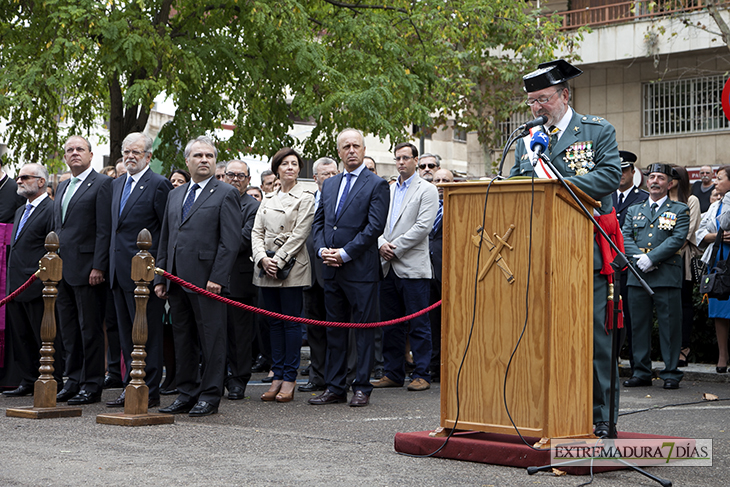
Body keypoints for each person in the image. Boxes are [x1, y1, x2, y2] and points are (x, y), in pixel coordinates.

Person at [510, 59, 622, 439]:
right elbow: (512, 184)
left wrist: (556, 186)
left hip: (583, 253)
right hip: (538, 255)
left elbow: (607, 176)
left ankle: (602, 414)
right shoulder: (527, 139)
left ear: (564, 95)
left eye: (543, 99)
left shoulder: (595, 131)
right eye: (531, 102)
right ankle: (546, 410)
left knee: (593, 338)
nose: (537, 107)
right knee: (539, 335)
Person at [154, 136, 241, 417]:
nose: (204, 160)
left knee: (212, 339)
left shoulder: (225, 192)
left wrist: (217, 277)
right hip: (177, 280)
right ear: (187, 161)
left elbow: (230, 242)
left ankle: (210, 395)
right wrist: (161, 277)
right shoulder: (175, 194)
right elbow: (167, 238)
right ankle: (187, 392)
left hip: (207, 282)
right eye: (199, 155)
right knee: (183, 339)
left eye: (209, 156)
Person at [310, 128, 389, 407]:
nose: (352, 150)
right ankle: (334, 387)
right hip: (330, 269)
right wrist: (321, 250)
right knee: (335, 329)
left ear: (364, 150)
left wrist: (345, 253)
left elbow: (374, 228)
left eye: (356, 145)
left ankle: (362, 387)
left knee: (364, 331)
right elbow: (318, 223)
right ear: (339, 152)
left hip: (360, 271)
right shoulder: (330, 185)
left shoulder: (376, 184)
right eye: (346, 146)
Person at [105, 133, 173, 409]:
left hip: (144, 274)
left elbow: (164, 231)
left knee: (148, 335)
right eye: (126, 152)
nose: (130, 156)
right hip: (118, 272)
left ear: (148, 156)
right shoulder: (117, 184)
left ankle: (150, 388)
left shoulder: (158, 185)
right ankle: (129, 385)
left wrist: (160, 274)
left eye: (136, 152)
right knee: (125, 334)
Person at [372, 142, 438, 392]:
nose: (401, 162)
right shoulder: (388, 189)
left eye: (405, 158)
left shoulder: (427, 190)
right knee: (390, 324)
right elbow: (377, 222)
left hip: (412, 267)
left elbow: (423, 227)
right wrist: (380, 244)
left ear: (415, 160)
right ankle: (393, 372)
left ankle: (422, 373)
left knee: (418, 323)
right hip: (387, 265)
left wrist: (393, 247)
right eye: (397, 158)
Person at [54, 136, 113, 405]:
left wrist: (99, 265)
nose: (74, 153)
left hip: (89, 269)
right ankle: (73, 380)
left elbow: (104, 228)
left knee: (89, 329)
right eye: (70, 150)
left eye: (80, 149)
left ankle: (91, 384)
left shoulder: (102, 184)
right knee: (68, 330)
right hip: (62, 269)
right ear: (65, 157)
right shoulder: (64, 185)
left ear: (91, 154)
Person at [622, 163, 689, 390]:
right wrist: (639, 257)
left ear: (669, 184)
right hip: (637, 275)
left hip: (666, 274)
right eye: (652, 177)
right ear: (646, 181)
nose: (655, 181)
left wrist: (652, 258)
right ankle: (641, 372)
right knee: (638, 326)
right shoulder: (634, 210)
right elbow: (625, 237)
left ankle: (671, 372)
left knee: (670, 326)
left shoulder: (680, 210)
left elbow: (677, 238)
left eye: (660, 178)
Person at [3, 164, 63, 396]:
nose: (19, 181)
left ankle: (52, 379)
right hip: (16, 285)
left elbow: (53, 249)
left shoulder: (51, 209)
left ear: (41, 182)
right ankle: (28, 379)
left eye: (25, 177)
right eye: (18, 177)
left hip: (39, 284)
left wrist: (44, 281)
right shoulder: (21, 210)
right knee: (21, 336)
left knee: (44, 336)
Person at [300, 157, 339, 393]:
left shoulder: (343, 201)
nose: (331, 178)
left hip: (334, 272)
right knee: (314, 328)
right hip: (308, 273)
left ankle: (337, 377)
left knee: (336, 328)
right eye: (326, 174)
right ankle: (317, 375)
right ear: (315, 178)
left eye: (335, 173)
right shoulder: (306, 201)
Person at [223, 160, 260, 400]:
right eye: (231, 175)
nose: (236, 179)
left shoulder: (253, 206)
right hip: (211, 279)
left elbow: (243, 239)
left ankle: (238, 380)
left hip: (239, 279)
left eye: (241, 175)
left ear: (248, 180)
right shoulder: (216, 200)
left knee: (240, 335)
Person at [611, 151, 649, 373]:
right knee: (610, 315)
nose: (621, 174)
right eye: (617, 170)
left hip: (632, 267)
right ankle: (611, 360)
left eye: (625, 170)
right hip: (608, 266)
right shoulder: (605, 196)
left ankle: (638, 367)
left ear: (633, 172)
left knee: (634, 320)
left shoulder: (642, 199)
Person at [669, 165, 701, 367]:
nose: (667, 180)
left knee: (684, 302)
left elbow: (688, 232)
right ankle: (669, 347)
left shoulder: (691, 200)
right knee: (667, 305)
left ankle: (683, 347)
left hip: (681, 258)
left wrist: (664, 250)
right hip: (662, 260)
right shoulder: (661, 200)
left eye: (671, 177)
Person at [700, 166, 730, 373]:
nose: (715, 182)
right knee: (719, 307)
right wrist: (716, 237)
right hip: (719, 260)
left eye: (719, 178)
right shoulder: (714, 205)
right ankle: (722, 356)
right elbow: (699, 233)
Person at [428, 168, 454, 380]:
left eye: (446, 180)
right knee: (429, 321)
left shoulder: (458, 208)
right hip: (424, 271)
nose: (441, 184)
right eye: (437, 180)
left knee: (449, 322)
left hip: (448, 272)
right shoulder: (427, 207)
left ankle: (448, 363)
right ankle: (433, 364)